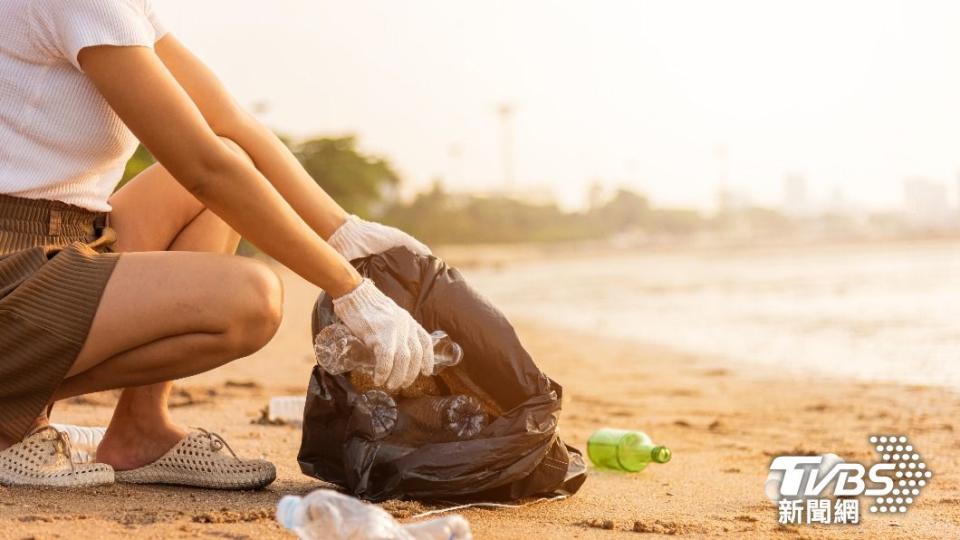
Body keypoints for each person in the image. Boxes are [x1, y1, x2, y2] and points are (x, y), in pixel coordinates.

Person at [0, 0, 435, 489]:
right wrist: (349, 287)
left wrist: (343, 229)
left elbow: (227, 124)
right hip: (13, 257)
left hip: (69, 234)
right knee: (250, 301)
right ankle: (10, 415)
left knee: (232, 164)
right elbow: (203, 169)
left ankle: (140, 431)